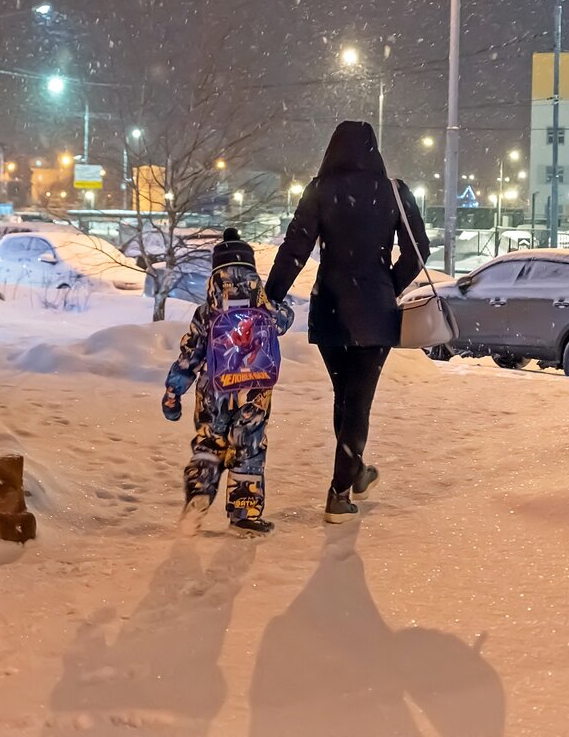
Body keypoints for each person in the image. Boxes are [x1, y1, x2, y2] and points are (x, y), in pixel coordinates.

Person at [265, 121, 430, 524]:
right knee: (358, 399)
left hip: (331, 310)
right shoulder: (394, 191)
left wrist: (270, 296)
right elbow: (418, 250)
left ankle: (354, 472)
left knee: (345, 395)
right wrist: (385, 285)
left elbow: (294, 249)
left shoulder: (319, 190)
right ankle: (340, 491)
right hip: (375, 314)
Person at [163, 228, 294, 538]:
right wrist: (274, 301)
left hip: (214, 390)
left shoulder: (206, 313)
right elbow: (285, 320)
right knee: (248, 448)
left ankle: (199, 492)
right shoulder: (266, 308)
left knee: (209, 443)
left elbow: (190, 355)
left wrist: (174, 390)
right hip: (254, 392)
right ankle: (244, 512)